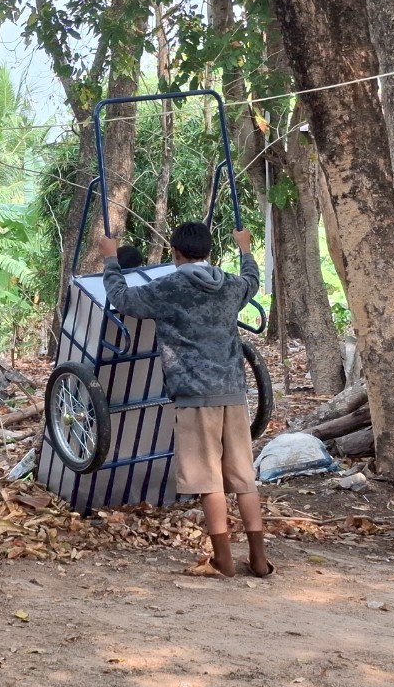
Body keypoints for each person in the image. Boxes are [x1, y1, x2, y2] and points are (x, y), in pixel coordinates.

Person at [100, 221, 273, 578]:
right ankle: (259, 559)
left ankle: (223, 560)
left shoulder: (168, 287)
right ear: (209, 252)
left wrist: (111, 260)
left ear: (175, 253)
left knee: (209, 481)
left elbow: (122, 298)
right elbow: (252, 281)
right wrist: (245, 249)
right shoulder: (230, 285)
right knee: (244, 478)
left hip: (195, 396)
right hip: (233, 393)